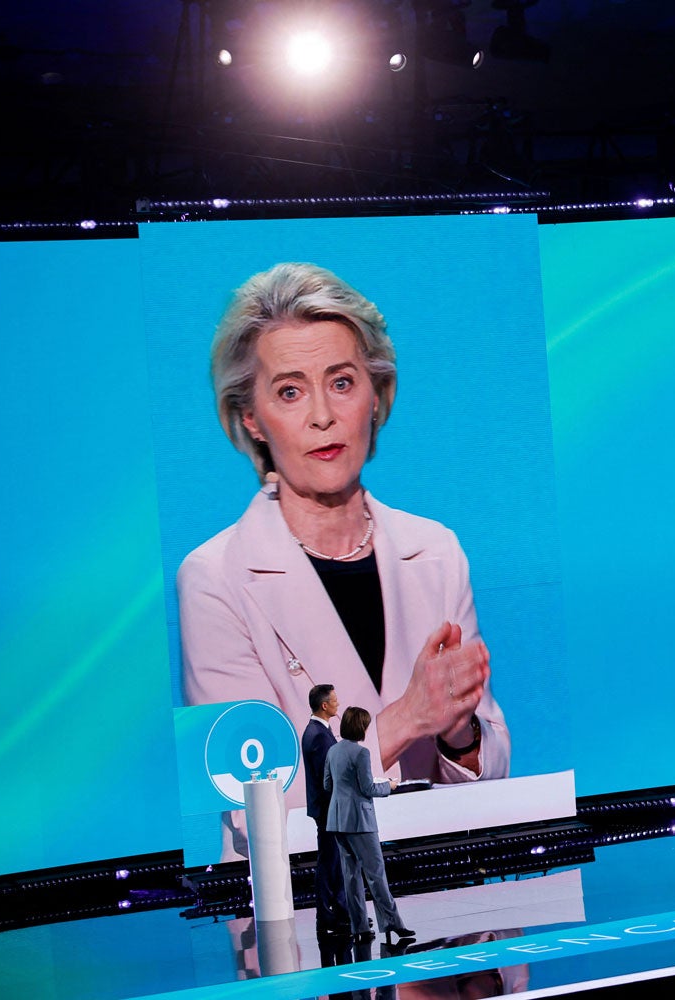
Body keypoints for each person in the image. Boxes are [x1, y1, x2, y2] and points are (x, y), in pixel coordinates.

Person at [177, 263, 509, 858]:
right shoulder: (213, 579)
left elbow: (492, 773)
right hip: (305, 917)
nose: (322, 416)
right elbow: (255, 806)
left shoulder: (436, 550)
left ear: (376, 396)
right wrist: (407, 719)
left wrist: (460, 734)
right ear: (252, 419)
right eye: (289, 391)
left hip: (447, 901)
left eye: (342, 382)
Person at [324, 706, 414, 943]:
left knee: (351, 876)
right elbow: (368, 788)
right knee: (376, 875)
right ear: (360, 727)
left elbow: (327, 784)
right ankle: (393, 924)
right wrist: (389, 786)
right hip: (360, 821)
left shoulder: (333, 751)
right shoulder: (361, 753)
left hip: (337, 820)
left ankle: (359, 927)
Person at [301, 684, 346, 936]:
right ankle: (328, 914)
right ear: (324, 705)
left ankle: (339, 910)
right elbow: (326, 778)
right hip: (328, 809)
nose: (338, 704)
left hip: (329, 808)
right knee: (329, 861)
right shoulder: (317, 735)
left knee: (334, 861)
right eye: (335, 700)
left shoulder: (319, 731)